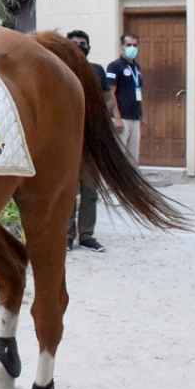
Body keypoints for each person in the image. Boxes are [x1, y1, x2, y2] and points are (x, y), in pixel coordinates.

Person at [66, 30, 114, 252]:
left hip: (91, 141)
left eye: (83, 43)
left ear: (89, 47)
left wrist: (101, 118)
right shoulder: (60, 69)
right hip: (67, 141)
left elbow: (108, 98)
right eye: (74, 43)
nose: (79, 46)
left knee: (90, 190)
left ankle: (86, 235)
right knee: (67, 190)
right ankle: (66, 236)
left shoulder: (97, 71)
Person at [106, 32, 143, 165]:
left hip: (134, 117)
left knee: (133, 158)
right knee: (117, 155)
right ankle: (111, 185)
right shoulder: (115, 66)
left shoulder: (136, 67)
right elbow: (111, 93)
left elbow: (137, 91)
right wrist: (117, 118)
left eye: (135, 45)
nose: (132, 48)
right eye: (129, 45)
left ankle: (131, 185)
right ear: (122, 46)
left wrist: (141, 115)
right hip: (121, 118)